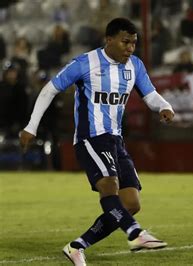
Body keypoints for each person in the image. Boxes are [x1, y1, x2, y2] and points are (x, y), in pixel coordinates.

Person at [19, 18, 174, 265]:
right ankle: (135, 234)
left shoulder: (135, 65)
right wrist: (31, 126)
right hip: (90, 138)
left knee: (131, 204)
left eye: (134, 43)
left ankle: (77, 246)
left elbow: (150, 93)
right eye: (125, 42)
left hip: (116, 140)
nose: (130, 48)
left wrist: (164, 106)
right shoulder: (85, 63)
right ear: (109, 39)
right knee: (108, 186)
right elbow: (50, 89)